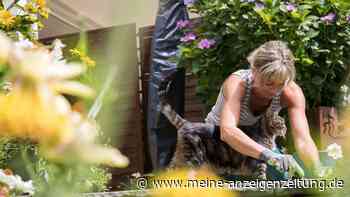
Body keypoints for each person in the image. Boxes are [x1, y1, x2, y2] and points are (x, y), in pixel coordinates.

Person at [205, 40, 321, 175]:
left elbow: (303, 139)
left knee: (281, 176)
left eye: (281, 84)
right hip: (217, 140)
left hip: (256, 140)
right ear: (254, 71)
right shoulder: (237, 84)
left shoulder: (292, 92)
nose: (275, 90)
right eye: (269, 83)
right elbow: (227, 131)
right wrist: (268, 155)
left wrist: (316, 170)